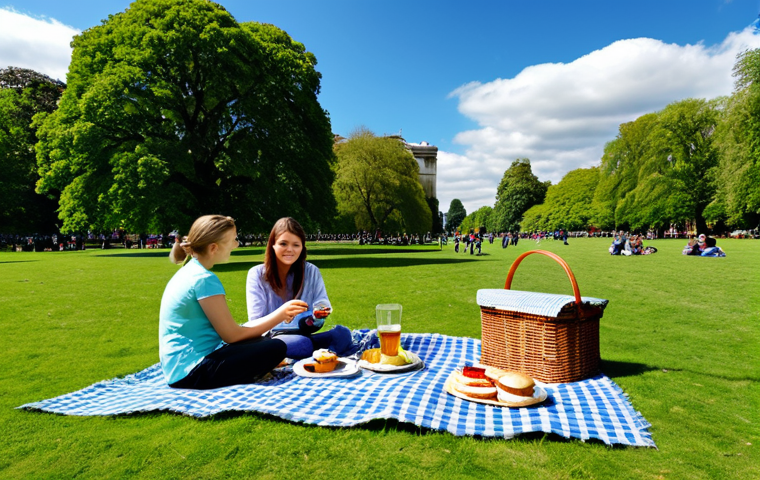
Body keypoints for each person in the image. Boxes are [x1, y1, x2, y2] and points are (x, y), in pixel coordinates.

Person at [160, 215, 300, 390]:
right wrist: (280, 315)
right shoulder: (204, 280)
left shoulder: (189, 271)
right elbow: (232, 336)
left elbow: (232, 332)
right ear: (213, 248)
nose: (236, 245)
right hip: (192, 372)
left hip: (179, 367)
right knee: (276, 347)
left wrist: (278, 314)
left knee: (261, 341)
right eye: (233, 240)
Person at [245, 217, 353, 360]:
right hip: (271, 338)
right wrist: (282, 314)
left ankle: (315, 355)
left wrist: (319, 314)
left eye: (296, 245)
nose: (290, 250)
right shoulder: (257, 275)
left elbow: (320, 306)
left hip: (305, 333)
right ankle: (318, 354)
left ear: (302, 248)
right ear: (273, 245)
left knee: (342, 334)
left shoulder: (311, 271)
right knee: (302, 344)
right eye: (283, 243)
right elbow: (255, 323)